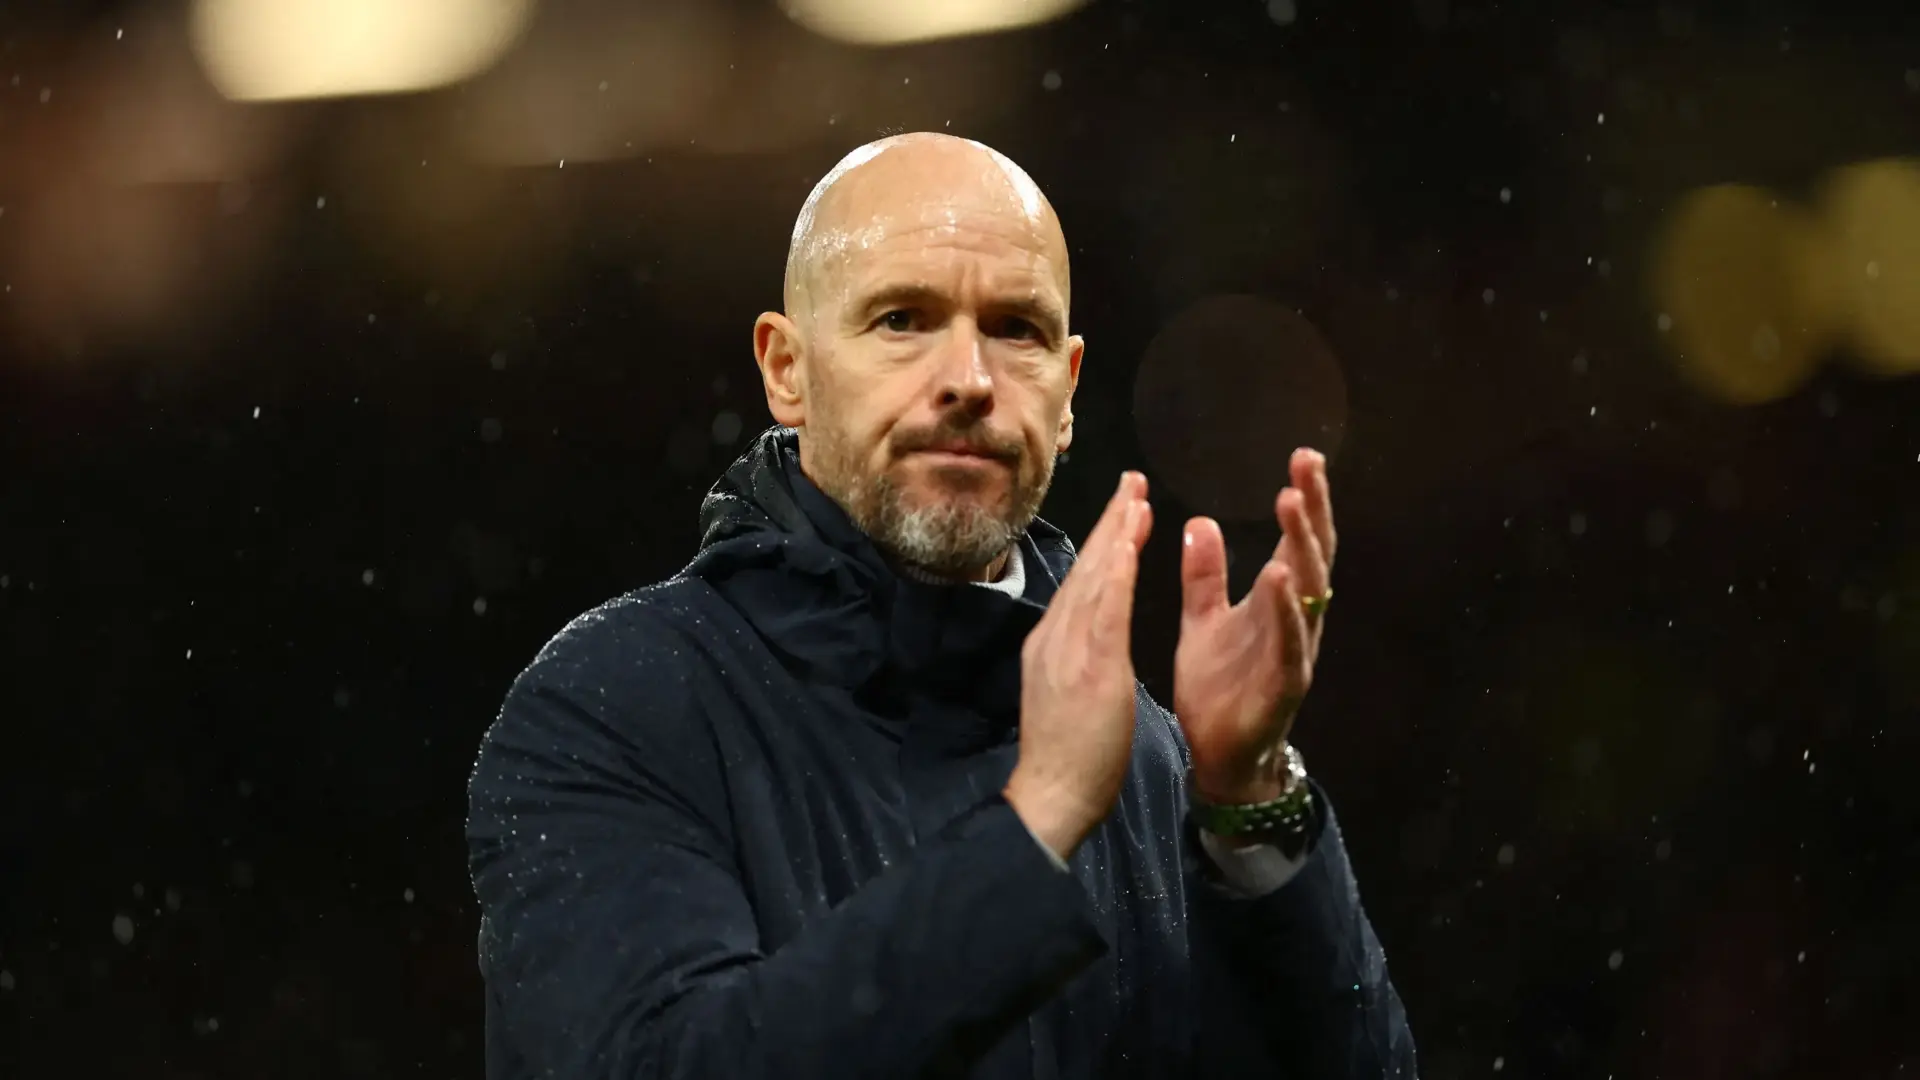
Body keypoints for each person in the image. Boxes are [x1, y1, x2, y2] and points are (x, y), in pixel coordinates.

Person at [466, 132, 1415, 1079]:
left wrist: (1247, 797)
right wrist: (1036, 825)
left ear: (1068, 392)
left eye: (1017, 329)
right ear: (787, 369)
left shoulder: (1148, 759)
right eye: (903, 320)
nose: (970, 379)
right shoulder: (611, 705)